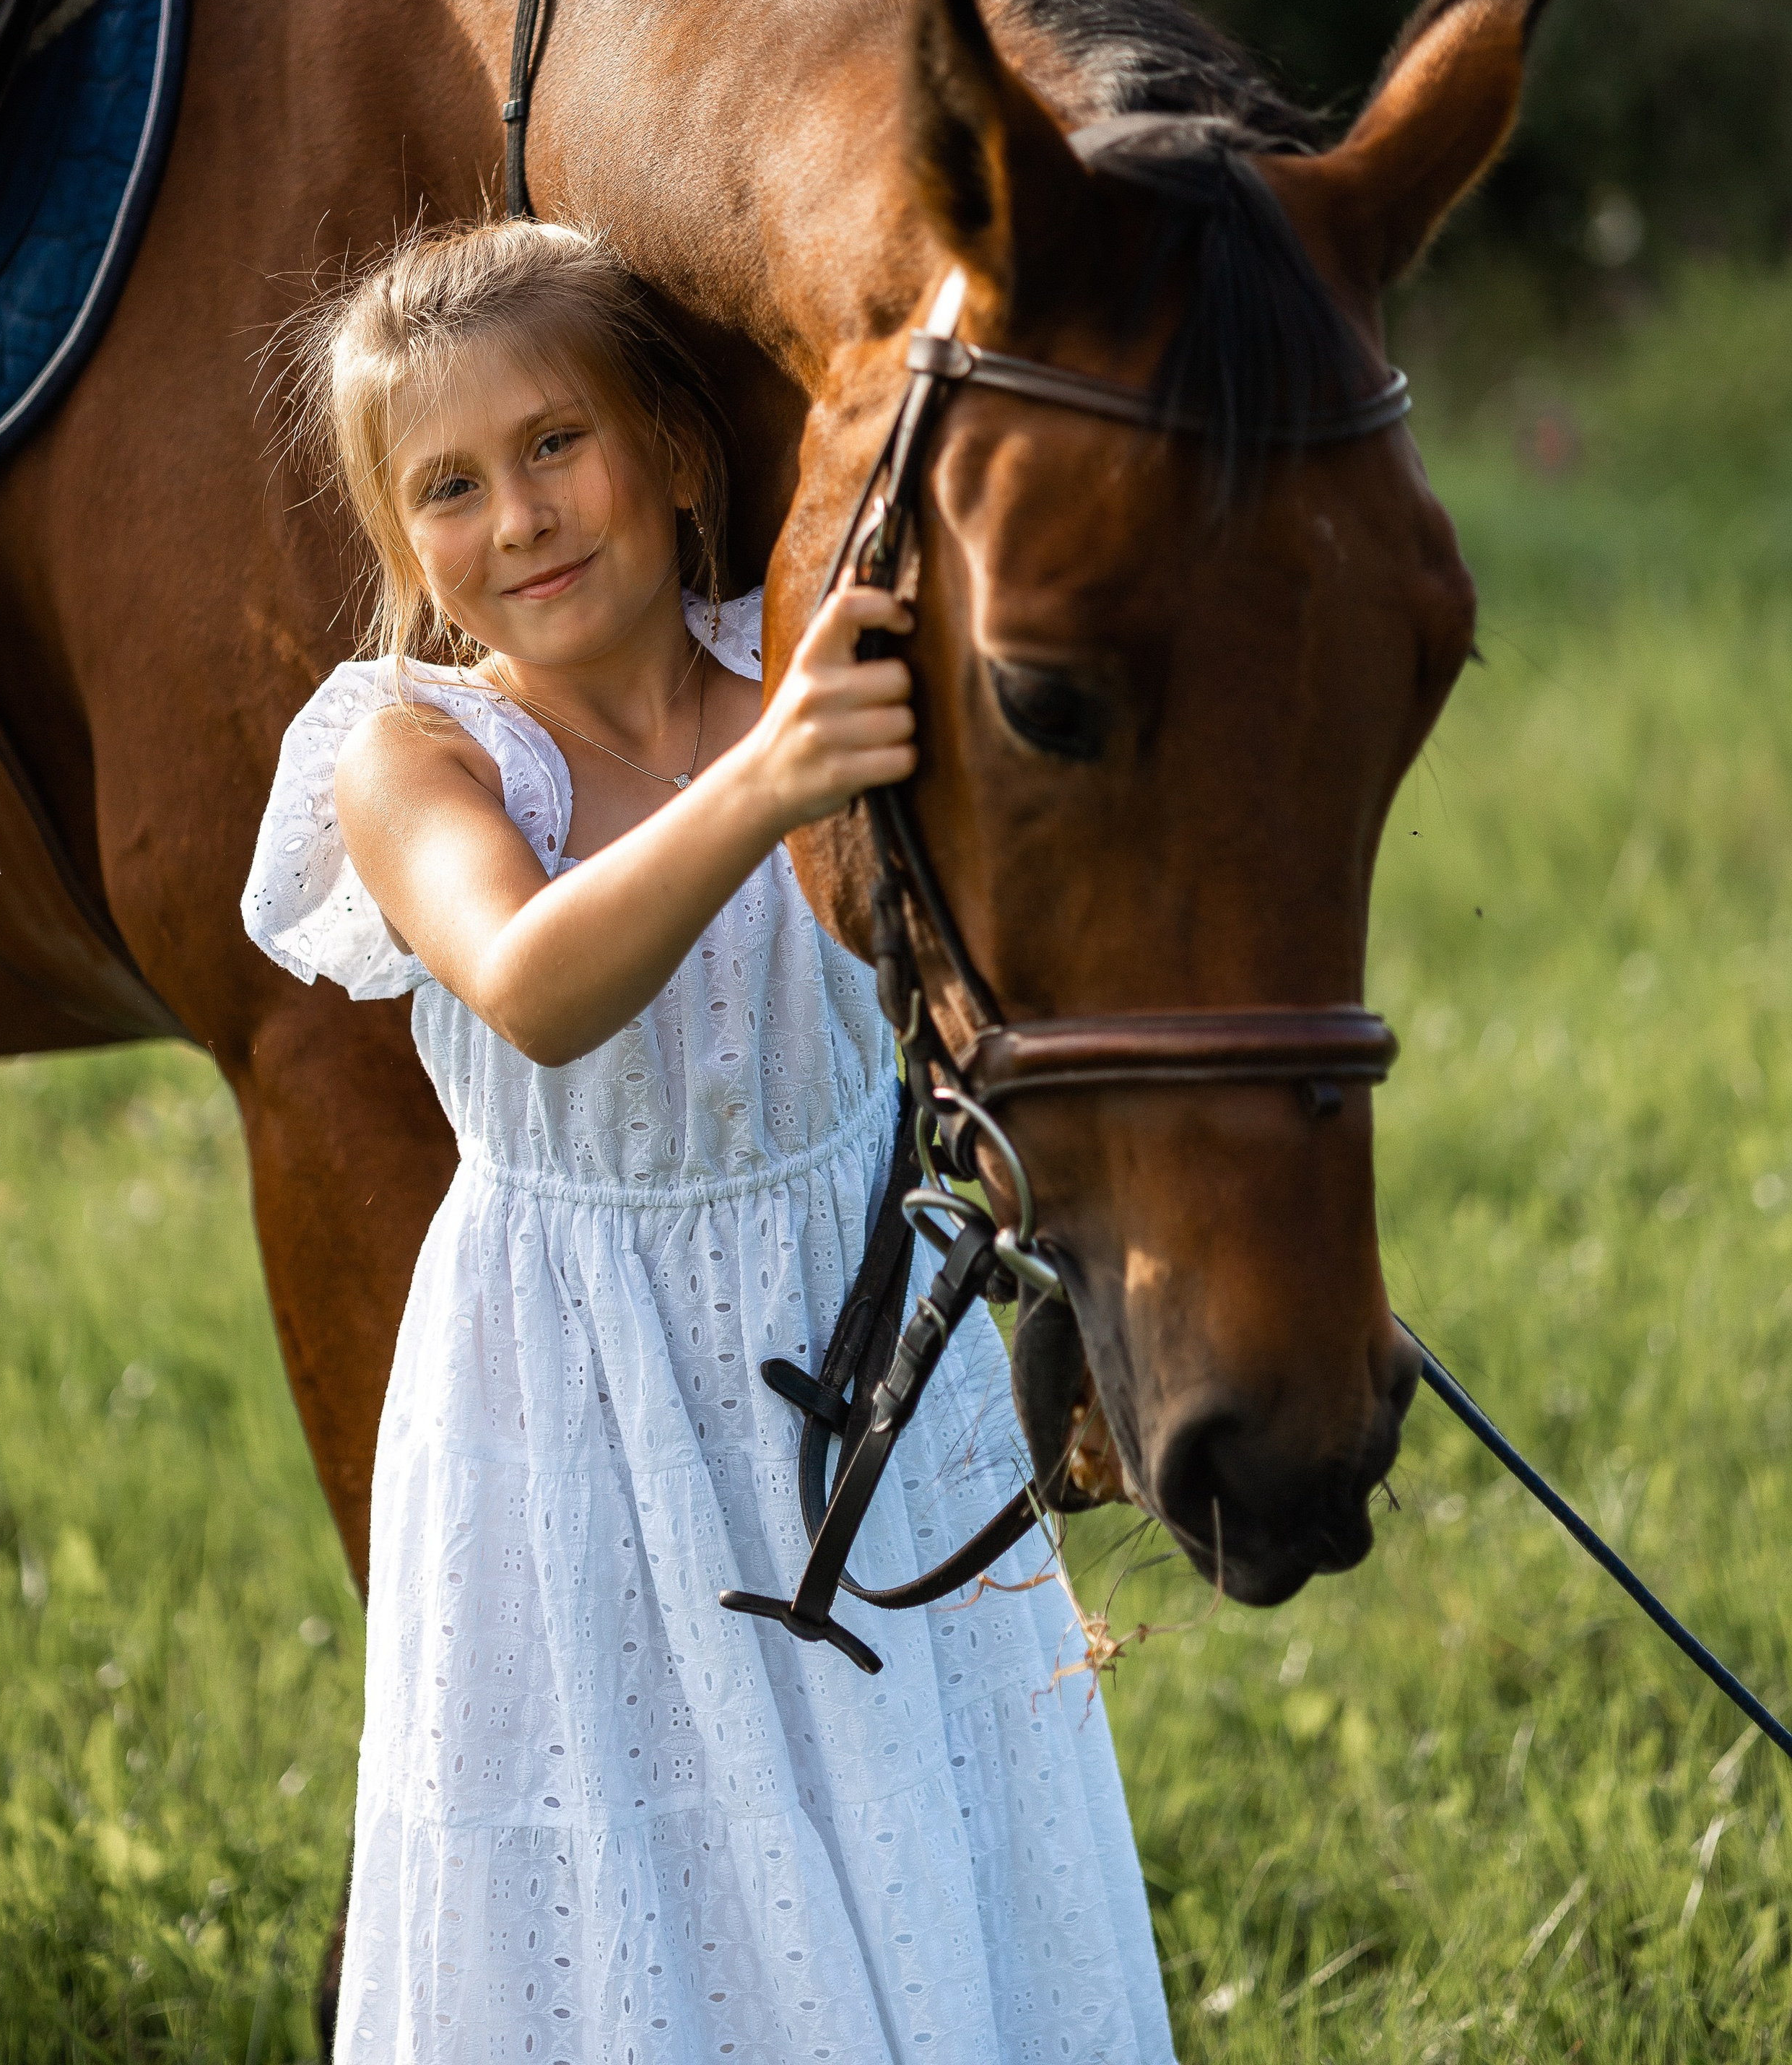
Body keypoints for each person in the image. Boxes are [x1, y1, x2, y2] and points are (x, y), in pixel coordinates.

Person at [243, 218, 1175, 2065]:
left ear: (673, 456)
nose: (519, 515)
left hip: (859, 1336)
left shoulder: (798, 675)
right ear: (404, 546)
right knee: (634, 1850)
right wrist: (773, 775)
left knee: (912, 1799)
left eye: (555, 442)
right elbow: (532, 981)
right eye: (447, 486)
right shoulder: (418, 756)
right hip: (572, 1389)